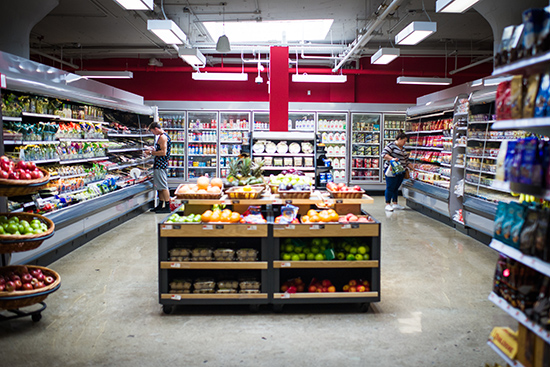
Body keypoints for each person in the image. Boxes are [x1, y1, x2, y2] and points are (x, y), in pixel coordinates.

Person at [382, 131, 413, 212]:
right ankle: (387, 204)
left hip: (401, 170)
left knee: (396, 187)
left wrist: (413, 168)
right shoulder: (391, 146)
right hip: (391, 170)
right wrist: (392, 159)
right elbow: (384, 154)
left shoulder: (403, 149)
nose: (404, 143)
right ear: (399, 139)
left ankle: (395, 203)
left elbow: (406, 160)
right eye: (404, 141)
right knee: (390, 186)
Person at [146, 122, 172, 213]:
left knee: (163, 186)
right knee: (159, 186)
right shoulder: (162, 136)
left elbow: (163, 152)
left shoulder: (163, 137)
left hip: (161, 165)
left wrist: (151, 153)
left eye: (153, 131)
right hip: (159, 164)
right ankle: (161, 205)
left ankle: (167, 207)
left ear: (156, 129)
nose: (153, 133)